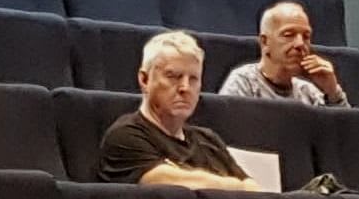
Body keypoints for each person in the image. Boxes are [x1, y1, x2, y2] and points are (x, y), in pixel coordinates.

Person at [97, 32, 253, 190]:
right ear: (144, 79)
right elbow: (170, 184)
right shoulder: (125, 135)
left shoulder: (209, 140)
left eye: (193, 79)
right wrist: (236, 186)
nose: (185, 87)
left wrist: (240, 187)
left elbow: (253, 189)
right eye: (173, 76)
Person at [213, 0, 345, 105]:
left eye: (306, 36)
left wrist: (332, 92)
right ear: (265, 42)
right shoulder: (243, 82)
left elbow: (343, 129)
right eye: (288, 35)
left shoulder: (308, 92)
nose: (300, 44)